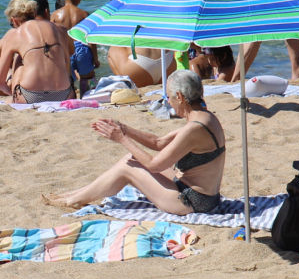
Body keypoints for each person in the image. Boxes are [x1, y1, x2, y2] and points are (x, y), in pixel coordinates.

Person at [44, 69, 225, 213]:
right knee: (132, 159)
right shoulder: (206, 118)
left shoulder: (194, 128)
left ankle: (74, 200)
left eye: (168, 97)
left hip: (193, 202)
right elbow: (159, 142)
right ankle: (75, 195)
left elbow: (155, 165)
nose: (168, 102)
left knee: (127, 166)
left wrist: (121, 139)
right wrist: (124, 128)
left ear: (179, 97)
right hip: (203, 196)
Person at [0, 0, 75, 104]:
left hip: (30, 96)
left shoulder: (13, 34)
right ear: (34, 13)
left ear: (14, 20)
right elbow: (69, 55)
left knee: (19, 59)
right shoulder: (60, 29)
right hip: (64, 94)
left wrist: (12, 94)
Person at [103, 0, 172, 87]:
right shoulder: (153, 5)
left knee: (113, 49)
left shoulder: (124, 9)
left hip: (138, 70)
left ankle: (127, 86)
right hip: (168, 64)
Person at [52, 0, 99, 95]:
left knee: (68, 80)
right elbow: (91, 39)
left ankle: (71, 97)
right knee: (88, 79)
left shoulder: (55, 15)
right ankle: (88, 96)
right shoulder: (84, 14)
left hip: (65, 51)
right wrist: (95, 58)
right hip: (82, 49)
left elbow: (52, 37)